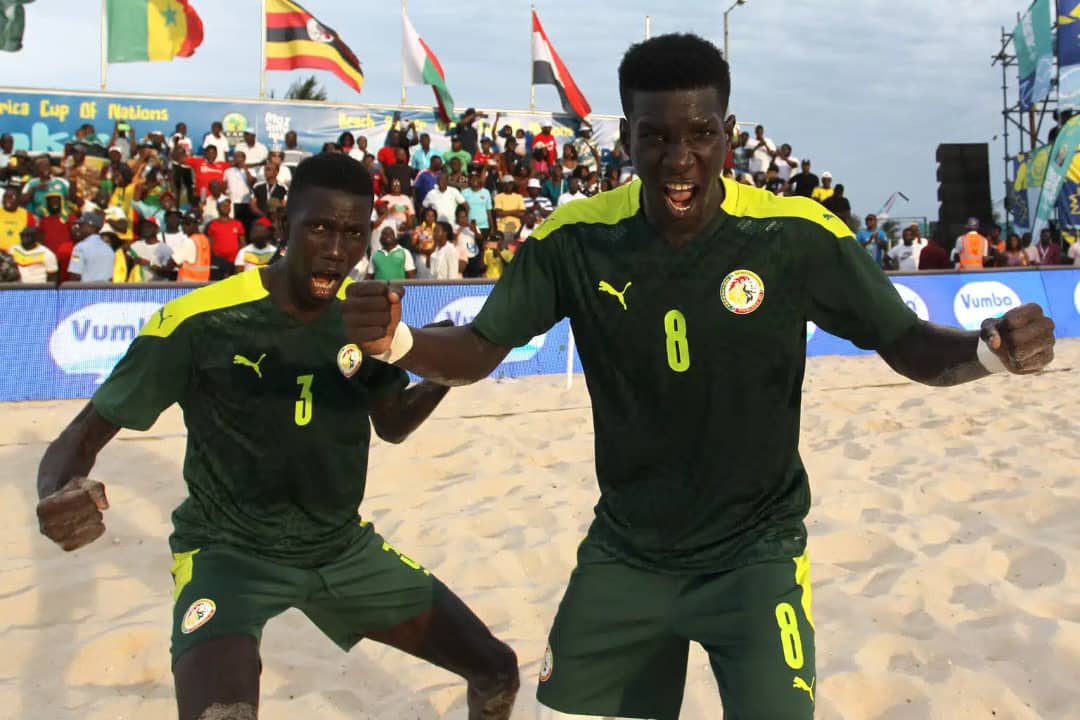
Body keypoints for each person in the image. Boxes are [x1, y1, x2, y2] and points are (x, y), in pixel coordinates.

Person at [341, 33, 1056, 720]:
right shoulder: (575, 240)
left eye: (701, 135)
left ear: (728, 134)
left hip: (757, 555)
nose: (679, 159)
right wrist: (397, 341)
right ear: (626, 139)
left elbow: (905, 342)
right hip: (626, 553)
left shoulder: (793, 234)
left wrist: (991, 351)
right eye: (655, 137)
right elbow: (477, 349)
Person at [34, 153, 519, 720]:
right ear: (286, 221)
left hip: (341, 549)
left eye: (352, 234)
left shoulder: (361, 321)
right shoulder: (200, 321)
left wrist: (440, 370)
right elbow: (81, 436)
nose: (336, 250)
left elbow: (392, 425)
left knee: (498, 672)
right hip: (227, 556)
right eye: (320, 227)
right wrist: (57, 490)